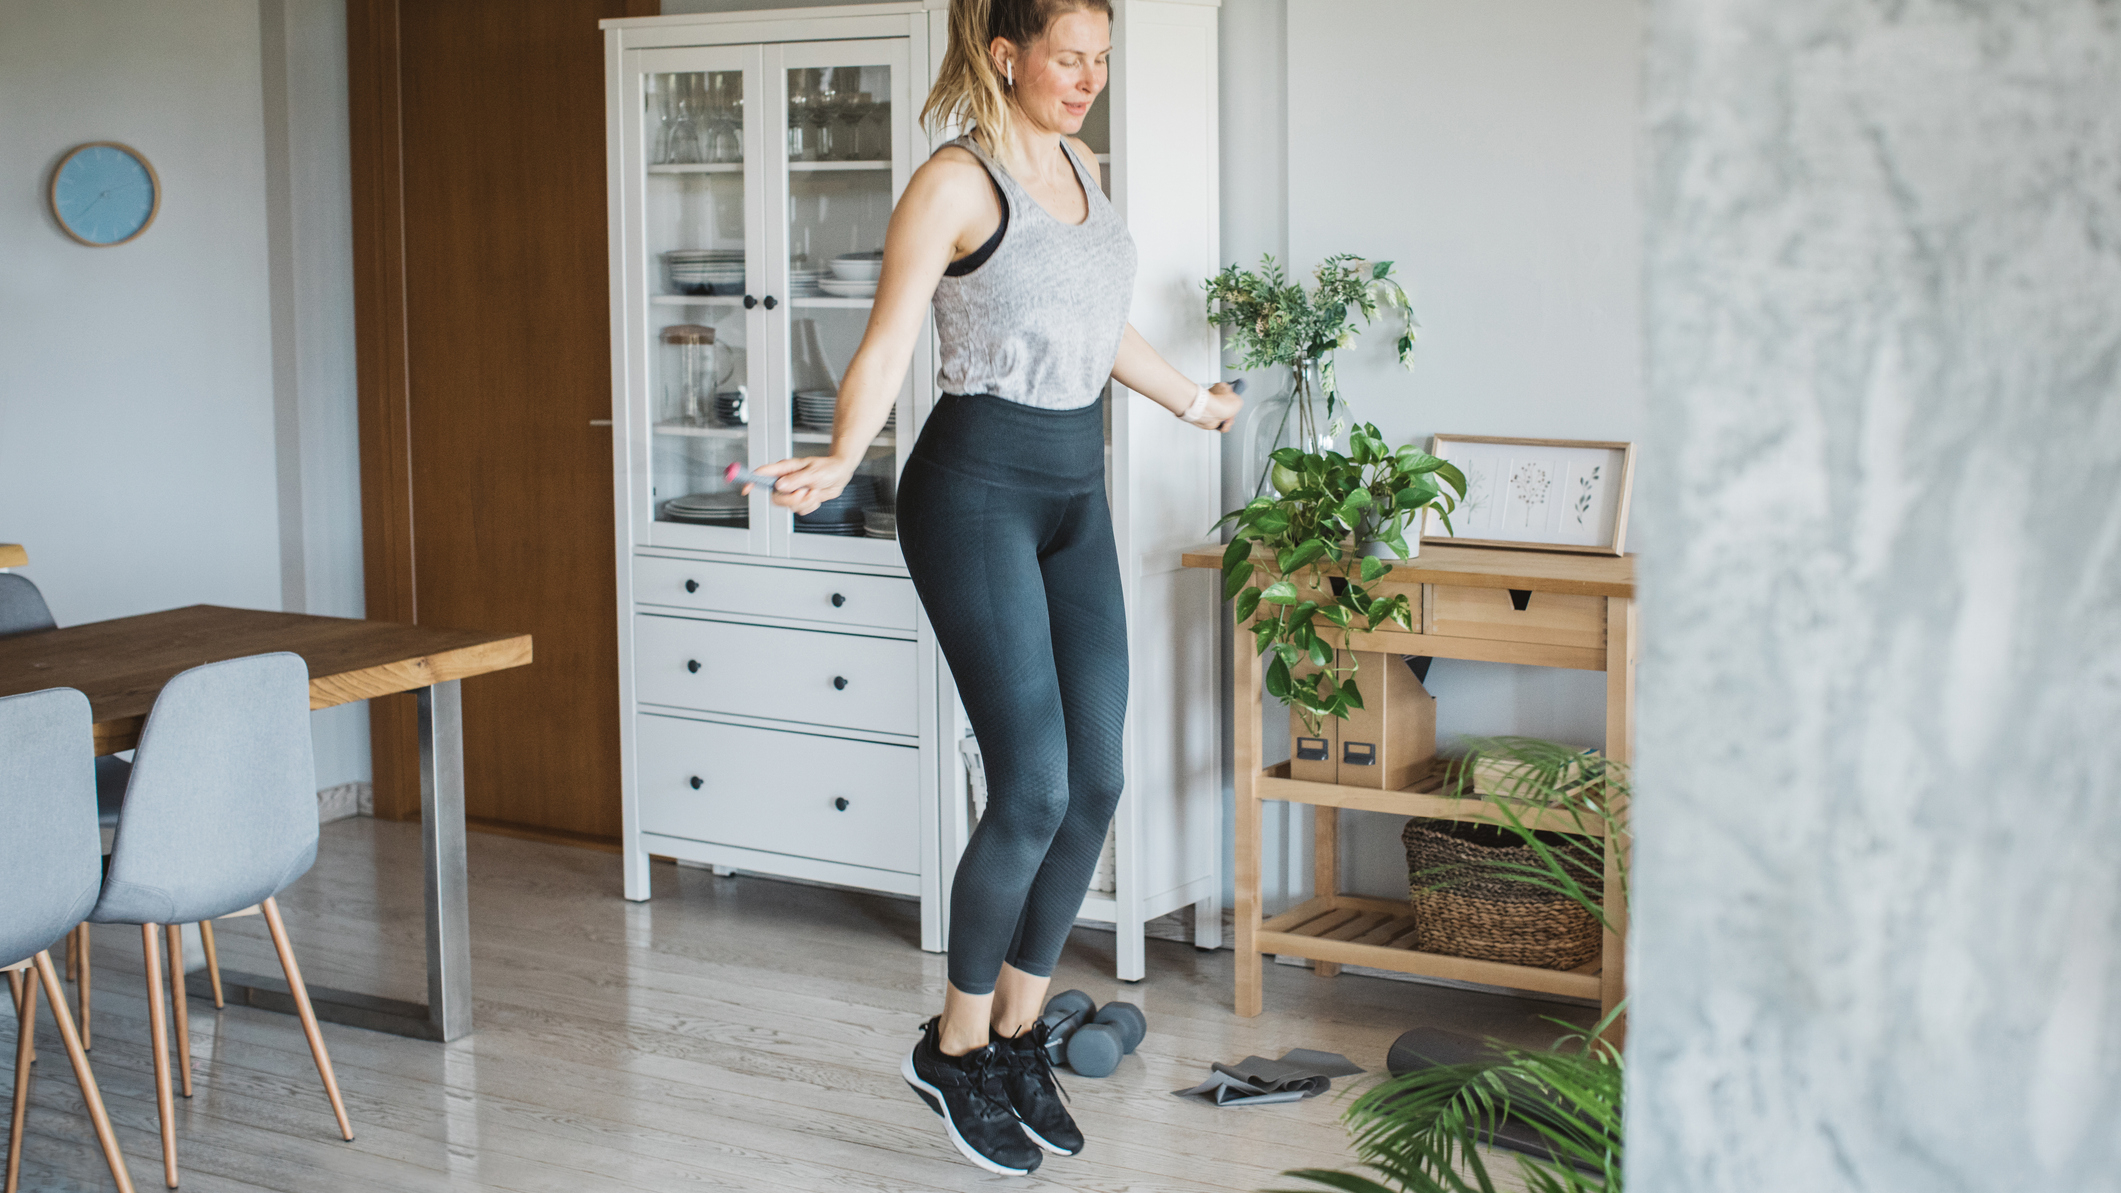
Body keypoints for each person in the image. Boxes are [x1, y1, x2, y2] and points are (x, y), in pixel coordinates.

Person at [748, 0, 1241, 1175]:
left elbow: (1095, 321)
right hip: (974, 489)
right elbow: (887, 340)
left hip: (1076, 488)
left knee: (1098, 776)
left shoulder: (1082, 164)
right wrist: (840, 455)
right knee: (1031, 784)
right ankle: (953, 1048)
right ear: (1005, 53)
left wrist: (1189, 400)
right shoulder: (955, 185)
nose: (1089, 81)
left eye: (1102, 61)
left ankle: (1018, 1031)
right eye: (1070, 60)